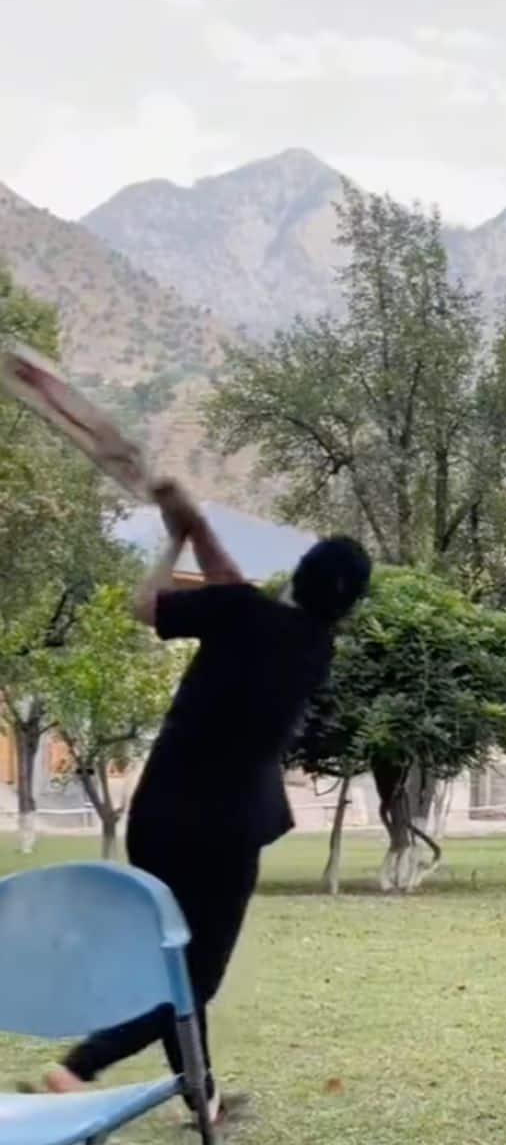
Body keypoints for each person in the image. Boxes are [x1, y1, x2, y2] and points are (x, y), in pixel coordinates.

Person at [40, 480, 372, 1127]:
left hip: (158, 816)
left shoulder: (242, 613)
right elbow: (233, 587)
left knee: (175, 961)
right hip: (225, 830)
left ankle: (203, 1098)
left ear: (297, 573)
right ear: (348, 605)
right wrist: (192, 527)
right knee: (193, 981)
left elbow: (148, 603)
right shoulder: (312, 648)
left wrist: (177, 535)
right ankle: (79, 1066)